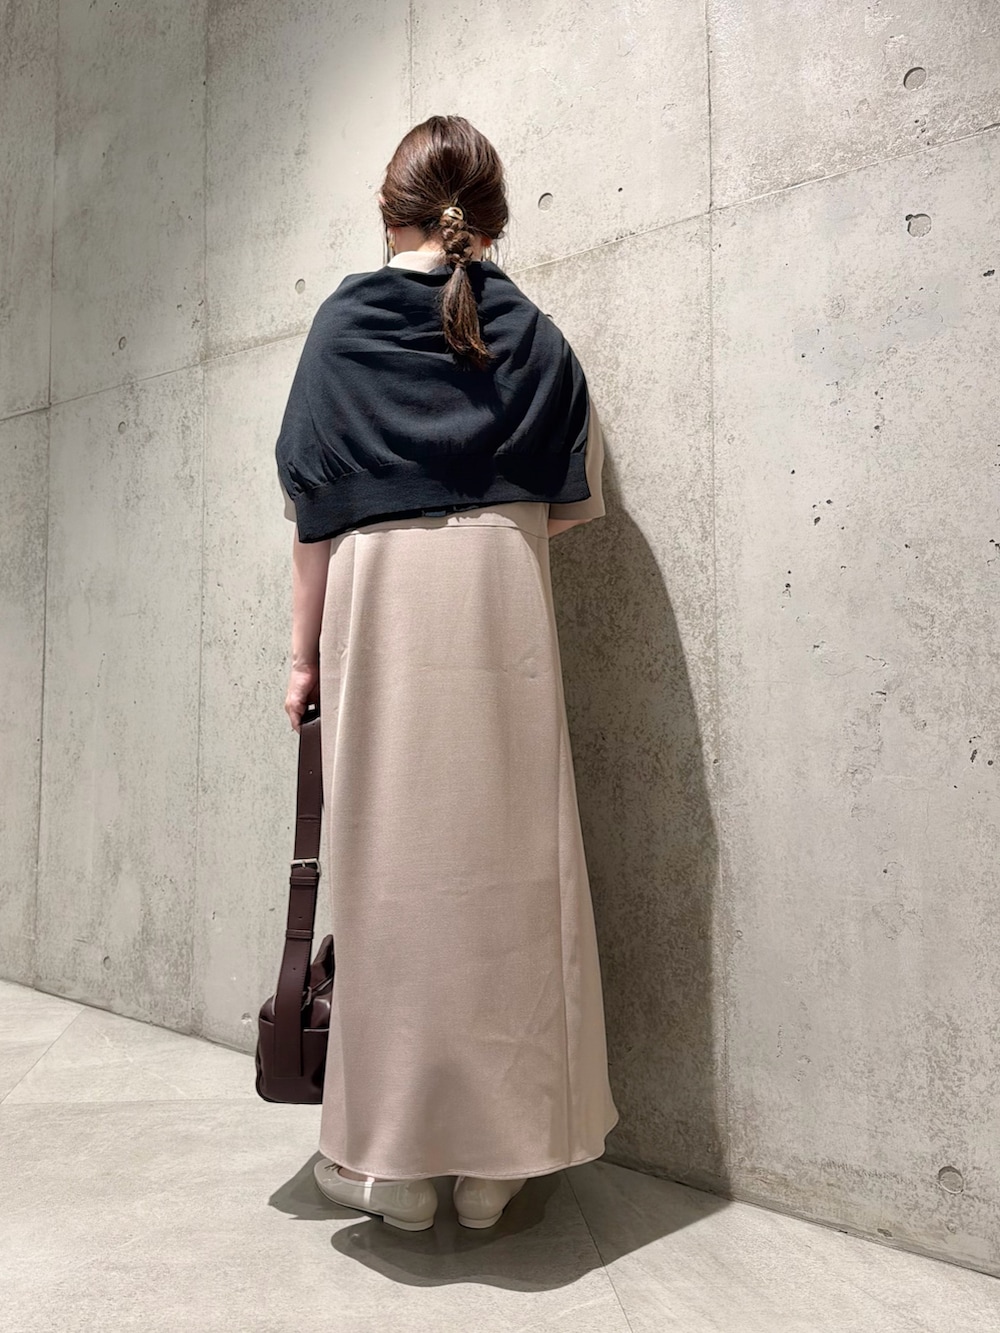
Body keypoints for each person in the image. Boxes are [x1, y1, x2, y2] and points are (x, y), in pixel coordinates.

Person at [274, 115, 618, 1232]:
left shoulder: (345, 325)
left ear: (391, 213)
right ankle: (498, 1161)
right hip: (500, 601)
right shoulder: (534, 333)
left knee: (389, 879)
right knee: (513, 876)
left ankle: (396, 1163)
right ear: (492, 219)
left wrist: (299, 658)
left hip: (378, 606)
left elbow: (314, 517)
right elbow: (567, 506)